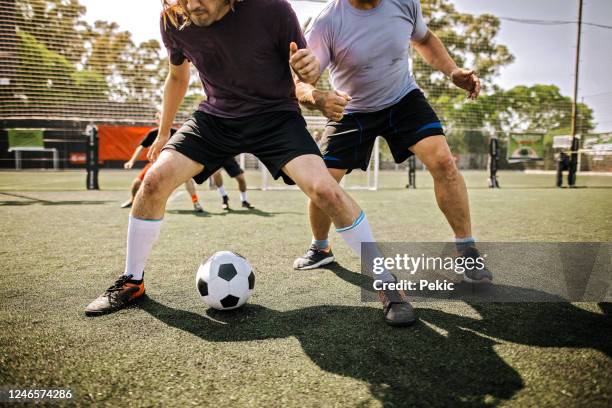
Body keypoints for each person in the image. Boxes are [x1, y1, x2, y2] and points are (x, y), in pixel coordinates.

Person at [85, 0, 415, 327]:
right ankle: (132, 281)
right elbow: (176, 77)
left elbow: (302, 79)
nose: (190, 4)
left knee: (325, 189)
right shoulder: (174, 19)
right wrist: (161, 134)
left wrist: (311, 80)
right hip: (215, 118)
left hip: (276, 119)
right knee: (154, 181)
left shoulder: (273, 9)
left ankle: (385, 281)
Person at [292, 0, 492, 285]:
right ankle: (320, 247)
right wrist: (319, 97)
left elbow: (424, 39)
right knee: (324, 182)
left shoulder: (405, 3)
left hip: (402, 100)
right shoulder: (327, 22)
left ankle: (467, 250)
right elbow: (300, 83)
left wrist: (453, 71)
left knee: (444, 163)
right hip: (352, 108)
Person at [121, 117, 204, 213]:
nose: (162, 120)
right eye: (159, 118)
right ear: (157, 121)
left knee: (188, 180)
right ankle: (132, 200)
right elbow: (141, 148)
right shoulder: (153, 133)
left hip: (174, 164)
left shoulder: (177, 133)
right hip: (156, 163)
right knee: (136, 183)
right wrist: (131, 161)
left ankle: (195, 202)